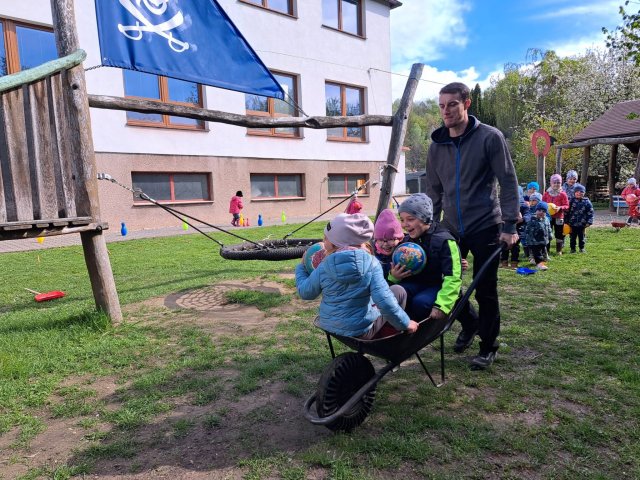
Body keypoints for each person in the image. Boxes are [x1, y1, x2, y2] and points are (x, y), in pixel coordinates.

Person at [425, 82, 519, 370]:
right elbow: (433, 190)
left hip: (486, 225)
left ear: (466, 104)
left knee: (485, 289)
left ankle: (488, 346)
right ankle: (470, 322)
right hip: (451, 227)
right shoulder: (436, 146)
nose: (446, 111)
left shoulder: (490, 137)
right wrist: (430, 226)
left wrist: (510, 224)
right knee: (442, 281)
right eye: (442, 106)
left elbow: (507, 181)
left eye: (452, 104)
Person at [295, 213, 419, 339]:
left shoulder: (324, 266)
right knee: (398, 291)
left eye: (325, 238)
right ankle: (387, 338)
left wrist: (301, 267)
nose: (323, 242)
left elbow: (306, 293)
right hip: (360, 331)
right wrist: (406, 323)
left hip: (329, 325)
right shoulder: (372, 264)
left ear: (334, 243)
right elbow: (385, 301)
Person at [390, 194, 463, 326]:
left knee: (420, 303)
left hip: (436, 285)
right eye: (402, 220)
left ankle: (417, 330)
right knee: (395, 292)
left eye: (410, 219)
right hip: (415, 282)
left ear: (424, 218)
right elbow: (394, 269)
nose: (405, 224)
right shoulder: (407, 242)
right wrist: (393, 277)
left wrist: (442, 305)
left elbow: (453, 277)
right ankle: (401, 326)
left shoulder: (444, 240)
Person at [542, 174, 569, 255]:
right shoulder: (546, 193)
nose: (556, 184)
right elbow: (542, 204)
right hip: (547, 217)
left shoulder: (563, 194)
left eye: (558, 182)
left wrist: (560, 208)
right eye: (554, 182)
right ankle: (546, 250)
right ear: (551, 183)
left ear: (561, 183)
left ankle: (559, 250)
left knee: (559, 233)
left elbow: (567, 205)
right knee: (547, 233)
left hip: (559, 217)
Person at [524, 202, 552, 270]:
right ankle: (540, 264)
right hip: (534, 241)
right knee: (537, 253)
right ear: (536, 210)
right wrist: (528, 239)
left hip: (544, 240)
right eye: (539, 210)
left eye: (543, 211)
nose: (541, 212)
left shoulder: (546, 219)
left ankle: (536, 259)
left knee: (543, 250)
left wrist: (550, 235)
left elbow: (549, 228)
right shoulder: (531, 220)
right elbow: (527, 230)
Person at [565, 183, 593, 253]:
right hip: (572, 223)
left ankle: (582, 248)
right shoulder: (571, 201)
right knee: (572, 237)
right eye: (577, 192)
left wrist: (589, 222)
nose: (579, 193)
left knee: (581, 237)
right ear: (574, 193)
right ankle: (572, 249)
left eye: (581, 192)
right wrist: (566, 221)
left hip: (582, 224)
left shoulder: (587, 202)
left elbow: (590, 212)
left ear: (584, 193)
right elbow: (567, 212)